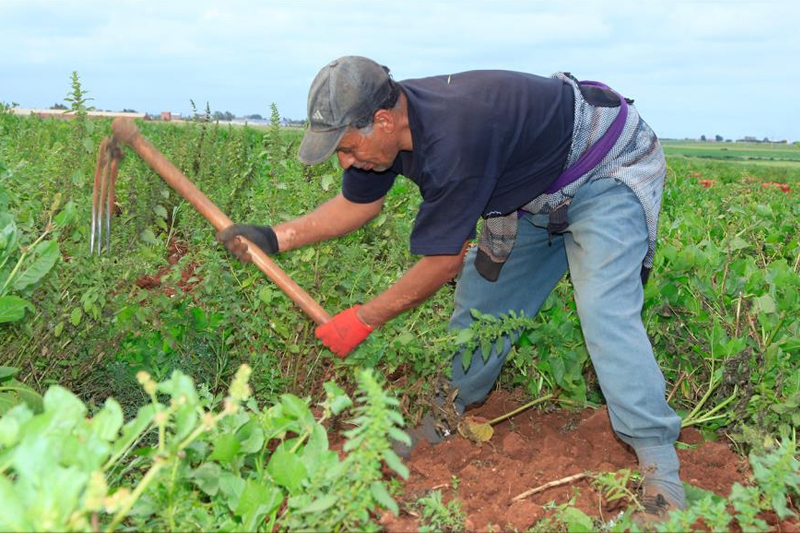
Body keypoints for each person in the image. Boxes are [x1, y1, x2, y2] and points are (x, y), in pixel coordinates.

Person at [219, 56, 685, 522]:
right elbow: (356, 205)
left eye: (346, 147)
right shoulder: (382, 135)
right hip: (529, 194)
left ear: (383, 121)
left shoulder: (454, 138)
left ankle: (660, 472)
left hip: (605, 169)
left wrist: (362, 320)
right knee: (481, 307)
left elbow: (441, 263)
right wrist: (275, 237)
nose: (346, 160)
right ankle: (444, 412)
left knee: (604, 310)